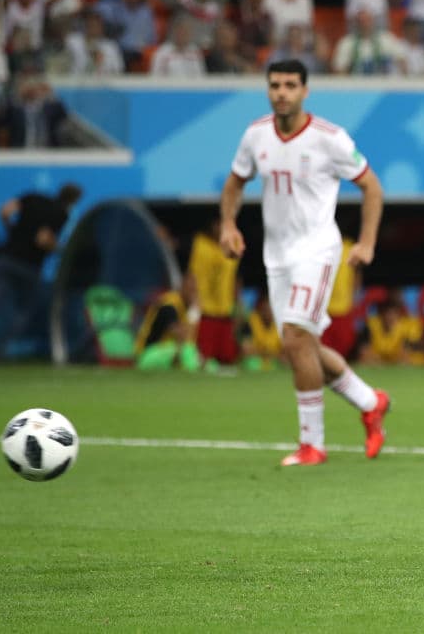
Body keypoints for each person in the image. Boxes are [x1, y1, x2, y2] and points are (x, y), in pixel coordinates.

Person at [219, 58, 390, 467]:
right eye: (275, 84)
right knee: (303, 347)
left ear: (305, 91)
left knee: (296, 337)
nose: (282, 92)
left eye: (290, 85)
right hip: (276, 257)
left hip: (317, 251)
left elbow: (372, 188)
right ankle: (370, 401)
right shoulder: (255, 135)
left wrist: (366, 242)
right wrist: (227, 224)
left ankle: (312, 444)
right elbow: (234, 184)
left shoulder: (330, 139)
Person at [0, 183, 82, 356]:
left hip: (7, 256)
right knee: (24, 309)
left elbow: (5, 211)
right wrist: (59, 248)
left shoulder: (33, 197)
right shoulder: (61, 213)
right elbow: (42, 239)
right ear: (73, 200)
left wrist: (12, 230)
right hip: (29, 265)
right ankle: (0, 348)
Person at [187, 216, 240, 365]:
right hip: (205, 309)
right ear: (212, 226)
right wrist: (193, 300)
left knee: (227, 357)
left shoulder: (233, 245)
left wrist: (237, 302)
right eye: (219, 225)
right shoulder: (200, 244)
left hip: (225, 309)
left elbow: (235, 277)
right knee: (204, 355)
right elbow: (191, 275)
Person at [134, 275, 202, 371]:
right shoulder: (170, 306)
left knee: (194, 353)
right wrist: (195, 311)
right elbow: (183, 337)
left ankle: (195, 367)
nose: (194, 294)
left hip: (165, 351)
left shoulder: (183, 306)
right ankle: (194, 371)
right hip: (147, 355)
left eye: (195, 290)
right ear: (182, 287)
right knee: (187, 349)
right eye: (191, 290)